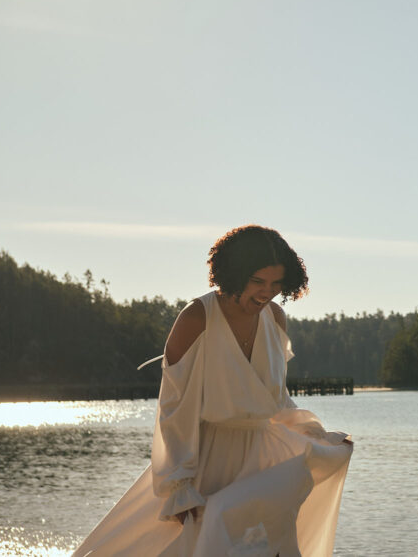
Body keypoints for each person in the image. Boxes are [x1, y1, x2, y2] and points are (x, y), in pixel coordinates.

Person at [74, 225, 352, 557]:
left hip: (262, 462)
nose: (267, 292)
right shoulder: (197, 318)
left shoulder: (275, 318)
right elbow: (174, 409)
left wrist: (317, 435)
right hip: (207, 462)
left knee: (268, 549)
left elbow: (276, 400)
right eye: (258, 281)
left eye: (276, 283)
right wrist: (179, 486)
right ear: (234, 273)